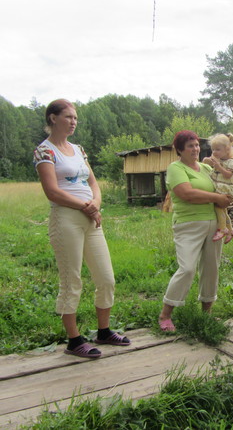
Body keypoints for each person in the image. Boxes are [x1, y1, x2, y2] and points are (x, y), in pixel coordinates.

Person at [34, 99, 130, 358]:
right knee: (71, 280)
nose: (73, 121)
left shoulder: (78, 149)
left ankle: (104, 331)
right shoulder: (45, 151)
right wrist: (84, 206)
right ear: (53, 118)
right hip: (66, 218)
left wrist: (95, 205)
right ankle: (74, 341)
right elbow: (52, 191)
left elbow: (93, 183)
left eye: (75, 117)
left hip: (90, 217)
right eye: (68, 117)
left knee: (106, 278)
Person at [158, 130, 233, 332]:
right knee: (187, 268)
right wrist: (217, 198)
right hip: (188, 225)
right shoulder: (176, 168)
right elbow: (186, 193)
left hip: (213, 224)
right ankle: (165, 315)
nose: (195, 149)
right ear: (180, 150)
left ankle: (206, 313)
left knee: (211, 268)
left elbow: (224, 183)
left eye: (197, 145)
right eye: (190, 145)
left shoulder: (207, 168)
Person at [202, 133, 233, 244]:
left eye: (217, 149)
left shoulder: (231, 162)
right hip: (220, 187)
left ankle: (222, 229)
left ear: (227, 150)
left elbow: (228, 175)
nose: (214, 152)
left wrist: (218, 167)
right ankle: (230, 230)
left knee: (218, 207)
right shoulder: (219, 160)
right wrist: (207, 161)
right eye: (213, 149)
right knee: (223, 209)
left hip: (227, 188)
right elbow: (208, 163)